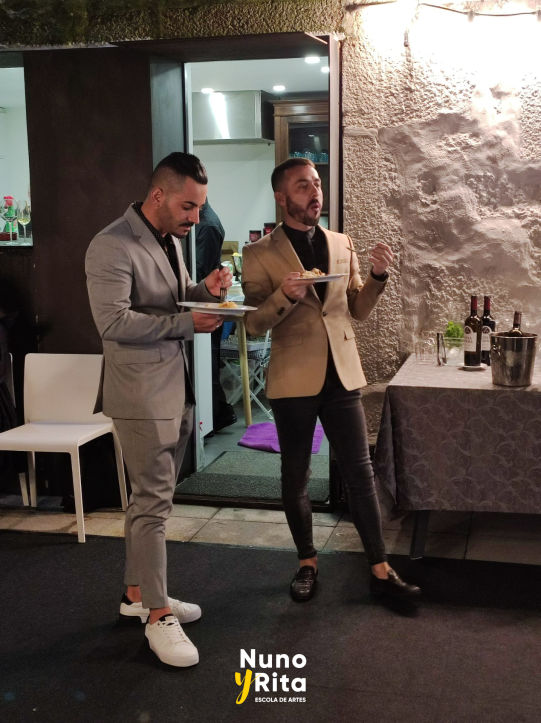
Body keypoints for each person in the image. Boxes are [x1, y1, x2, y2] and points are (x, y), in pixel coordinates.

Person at [241, 157, 420, 603]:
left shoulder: (342, 243)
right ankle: (307, 562)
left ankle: (380, 568)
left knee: (360, 471)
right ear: (282, 197)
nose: (315, 192)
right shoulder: (258, 254)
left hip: (342, 376)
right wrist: (285, 295)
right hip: (292, 379)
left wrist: (377, 276)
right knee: (295, 476)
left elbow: (357, 309)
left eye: (317, 184)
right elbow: (254, 324)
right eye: (303, 186)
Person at [85, 152, 232, 667]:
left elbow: (173, 299)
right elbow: (113, 323)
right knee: (151, 505)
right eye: (189, 206)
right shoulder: (110, 244)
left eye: (200, 207)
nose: (196, 217)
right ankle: (157, 615)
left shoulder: (169, 240)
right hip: (140, 395)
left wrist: (203, 292)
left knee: (152, 503)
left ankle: (136, 595)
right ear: (158, 196)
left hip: (175, 387)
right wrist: (186, 323)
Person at [195, 199, 237, 432]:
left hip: (206, 304)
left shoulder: (208, 225)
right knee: (209, 364)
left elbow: (200, 269)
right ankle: (217, 413)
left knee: (209, 364)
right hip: (207, 301)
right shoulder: (206, 221)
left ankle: (216, 415)